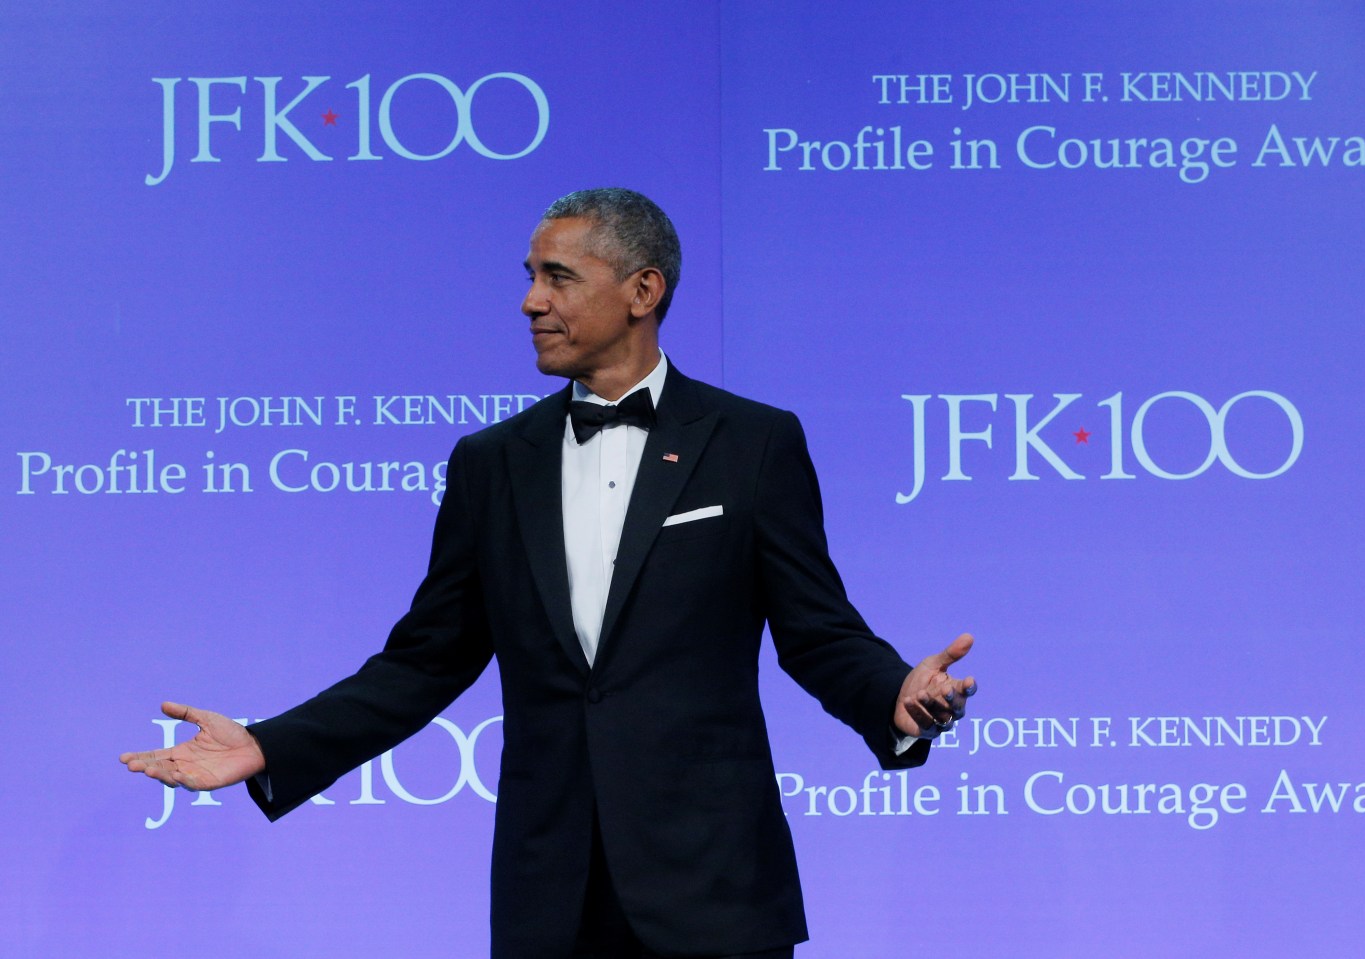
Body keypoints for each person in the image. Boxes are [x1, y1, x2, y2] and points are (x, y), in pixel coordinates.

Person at [121, 188, 978, 959]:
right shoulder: (494, 463)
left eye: (558, 277)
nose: (531, 300)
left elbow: (816, 628)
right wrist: (272, 743)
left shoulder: (751, 443)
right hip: (550, 895)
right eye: (531, 276)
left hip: (714, 888)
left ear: (643, 292)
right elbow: (425, 658)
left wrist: (891, 696)